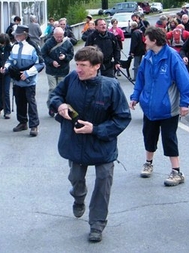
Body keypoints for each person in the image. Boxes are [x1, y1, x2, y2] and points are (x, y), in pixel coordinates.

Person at [49, 46, 131, 243]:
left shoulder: (111, 87)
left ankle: (97, 224)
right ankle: (79, 197)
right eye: (76, 64)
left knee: (103, 181)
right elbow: (54, 96)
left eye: (83, 65)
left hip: (102, 144)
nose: (78, 69)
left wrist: (95, 129)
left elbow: (122, 117)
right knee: (76, 178)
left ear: (97, 66)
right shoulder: (71, 80)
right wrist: (59, 105)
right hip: (75, 142)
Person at [129, 27, 189, 186]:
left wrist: (185, 103)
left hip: (168, 108)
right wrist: (135, 97)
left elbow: (184, 81)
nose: (144, 40)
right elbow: (141, 80)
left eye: (146, 38)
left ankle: (176, 171)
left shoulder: (172, 57)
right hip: (150, 108)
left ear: (154, 40)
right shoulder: (148, 57)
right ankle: (148, 163)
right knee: (149, 135)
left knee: (169, 138)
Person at [1, 25, 44, 136]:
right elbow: (10, 60)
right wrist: (5, 67)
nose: (15, 36)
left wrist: (27, 73)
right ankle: (22, 122)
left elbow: (40, 64)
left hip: (29, 80)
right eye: (16, 34)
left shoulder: (33, 47)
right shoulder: (14, 46)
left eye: (18, 34)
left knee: (31, 102)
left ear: (24, 35)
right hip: (17, 79)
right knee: (19, 101)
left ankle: (34, 125)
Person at [41, 27, 74, 117]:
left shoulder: (67, 43)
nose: (59, 38)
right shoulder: (48, 43)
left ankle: (61, 107)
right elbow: (43, 54)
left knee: (62, 90)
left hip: (63, 70)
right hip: (51, 70)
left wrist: (65, 57)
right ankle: (51, 107)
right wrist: (52, 62)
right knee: (52, 89)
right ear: (54, 35)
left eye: (61, 36)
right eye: (58, 37)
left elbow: (71, 55)